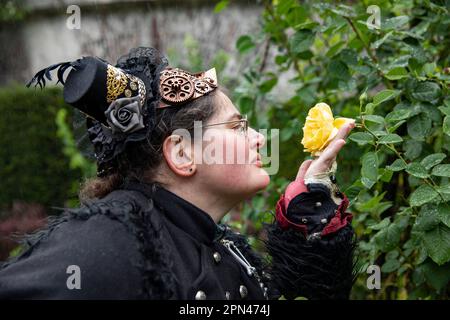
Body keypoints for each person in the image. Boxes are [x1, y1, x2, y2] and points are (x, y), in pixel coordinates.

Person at [0, 47, 356, 300]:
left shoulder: (222, 243)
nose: (260, 138)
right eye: (238, 126)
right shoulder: (111, 242)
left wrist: (309, 211)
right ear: (183, 153)